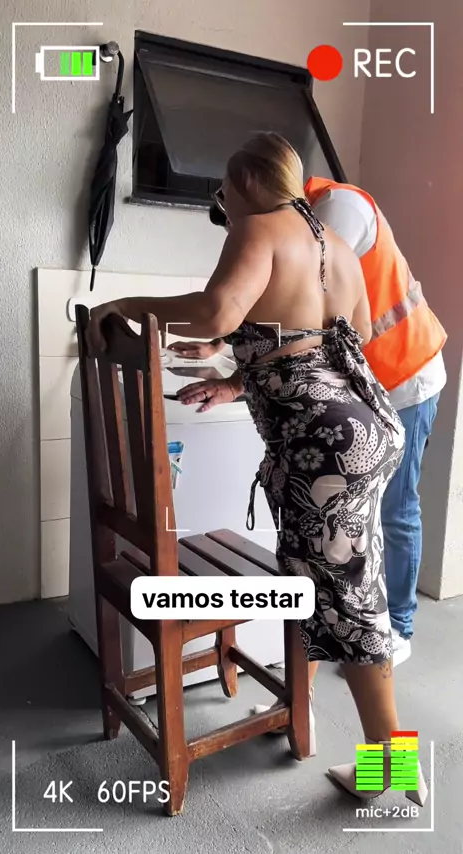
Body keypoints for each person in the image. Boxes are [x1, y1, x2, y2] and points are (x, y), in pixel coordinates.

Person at [87, 132, 427, 805]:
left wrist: (124, 306)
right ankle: (342, 734)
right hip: (364, 429)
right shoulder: (335, 246)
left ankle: (393, 760)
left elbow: (217, 310)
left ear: (243, 182)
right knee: (343, 593)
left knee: (347, 605)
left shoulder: (260, 227)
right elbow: (336, 340)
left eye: (224, 193)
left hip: (323, 451)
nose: (224, 207)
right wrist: (240, 372)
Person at [171, 174, 447, 667]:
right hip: (355, 396)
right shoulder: (302, 219)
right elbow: (282, 319)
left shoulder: (334, 212)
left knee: (392, 517)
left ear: (255, 191)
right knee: (334, 559)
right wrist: (229, 360)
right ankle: (315, 685)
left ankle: (397, 630)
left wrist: (226, 346)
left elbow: (298, 309)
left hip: (403, 374)